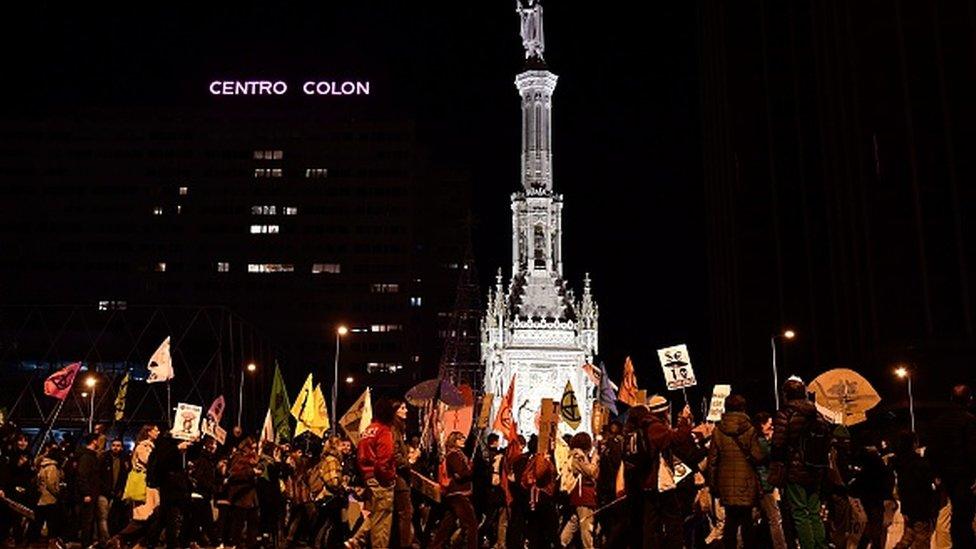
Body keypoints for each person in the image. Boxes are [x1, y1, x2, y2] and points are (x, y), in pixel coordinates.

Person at [770, 378, 828, 549]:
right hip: (816, 469)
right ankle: (821, 546)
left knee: (800, 513)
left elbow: (778, 443)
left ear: (786, 395)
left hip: (794, 470)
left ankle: (808, 546)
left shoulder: (786, 413)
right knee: (814, 512)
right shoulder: (816, 414)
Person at [707, 394, 765, 549]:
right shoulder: (750, 429)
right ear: (743, 408)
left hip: (725, 484)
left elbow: (712, 461)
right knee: (747, 523)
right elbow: (758, 456)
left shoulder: (718, 431)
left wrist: (713, 485)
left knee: (730, 523)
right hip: (747, 483)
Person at [927, 384, 976, 548]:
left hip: (946, 479)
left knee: (950, 516)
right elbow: (972, 451)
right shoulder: (969, 421)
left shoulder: (939, 423)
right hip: (964, 478)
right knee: (964, 519)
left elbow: (931, 452)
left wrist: (936, 474)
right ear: (969, 400)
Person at [349, 397, 396, 549]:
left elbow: (360, 457)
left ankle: (356, 540)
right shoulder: (384, 431)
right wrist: (389, 479)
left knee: (376, 515)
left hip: (368, 478)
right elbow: (384, 460)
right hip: (381, 480)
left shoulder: (367, 430)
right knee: (382, 525)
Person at [430, 431, 478, 549]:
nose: (463, 440)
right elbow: (461, 473)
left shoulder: (458, 454)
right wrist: (470, 469)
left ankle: (435, 545)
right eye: (460, 438)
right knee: (471, 523)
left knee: (447, 523)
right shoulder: (454, 455)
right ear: (454, 441)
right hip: (458, 493)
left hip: (456, 493)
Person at [890, 430, 937, 549]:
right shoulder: (919, 463)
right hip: (921, 508)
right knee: (922, 540)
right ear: (914, 443)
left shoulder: (899, 463)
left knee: (908, 536)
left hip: (907, 506)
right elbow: (927, 483)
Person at [752, 412, 788, 549]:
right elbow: (770, 454)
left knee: (756, 516)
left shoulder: (756, 440)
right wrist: (772, 441)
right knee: (775, 518)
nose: (772, 428)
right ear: (762, 425)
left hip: (762, 483)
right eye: (769, 424)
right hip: (765, 484)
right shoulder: (761, 442)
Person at [559, 432, 599, 548]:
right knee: (586, 526)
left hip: (579, 495)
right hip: (583, 495)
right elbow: (591, 472)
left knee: (574, 522)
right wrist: (595, 459)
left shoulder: (574, 454)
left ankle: (562, 542)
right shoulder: (579, 456)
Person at [226, 437, 262, 548]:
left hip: (252, 497)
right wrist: (252, 472)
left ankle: (251, 544)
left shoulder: (253, 459)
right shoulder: (238, 457)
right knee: (239, 524)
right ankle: (237, 544)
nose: (254, 451)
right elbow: (234, 475)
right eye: (252, 448)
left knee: (253, 522)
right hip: (241, 497)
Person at [391, 399, 417, 548]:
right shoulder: (394, 430)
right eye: (402, 408)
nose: (406, 410)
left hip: (401, 477)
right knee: (406, 512)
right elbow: (395, 455)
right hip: (398, 478)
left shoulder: (400, 430)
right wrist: (409, 461)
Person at [30, 444, 64, 545]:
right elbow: (51, 484)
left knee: (38, 521)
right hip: (49, 498)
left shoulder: (42, 465)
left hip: (41, 497)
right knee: (51, 522)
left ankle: (32, 541)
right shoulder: (52, 467)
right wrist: (58, 493)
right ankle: (50, 542)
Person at [97, 438, 130, 543]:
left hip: (117, 492)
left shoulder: (124, 459)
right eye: (114, 445)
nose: (115, 448)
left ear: (121, 447)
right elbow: (99, 476)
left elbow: (125, 475)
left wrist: (121, 490)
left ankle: (112, 538)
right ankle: (106, 540)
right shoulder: (104, 458)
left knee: (114, 516)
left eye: (118, 445)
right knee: (103, 516)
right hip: (104, 491)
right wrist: (105, 488)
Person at [76, 433, 102, 547]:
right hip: (89, 493)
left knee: (89, 519)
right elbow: (83, 475)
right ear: (94, 441)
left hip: (92, 493)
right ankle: (86, 543)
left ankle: (88, 542)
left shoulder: (90, 456)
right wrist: (86, 493)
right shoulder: (87, 457)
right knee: (87, 519)